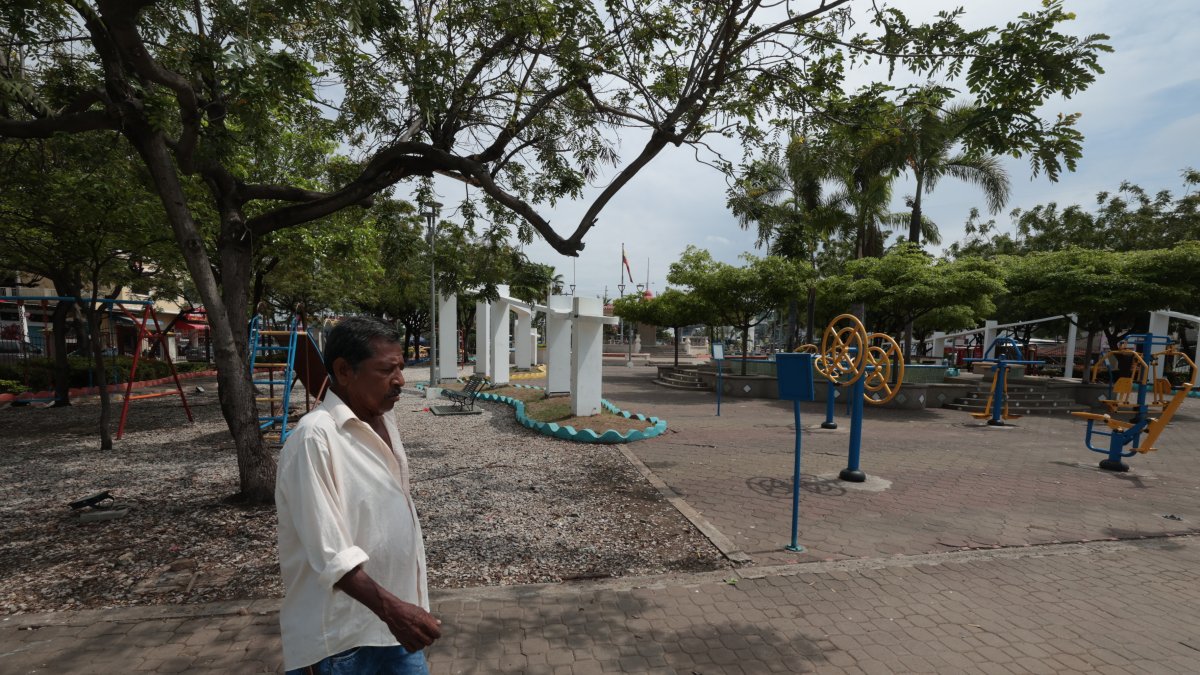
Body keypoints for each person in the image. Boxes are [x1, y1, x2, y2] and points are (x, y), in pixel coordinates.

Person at [276, 316, 442, 674]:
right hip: (342, 643)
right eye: (387, 370)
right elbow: (329, 553)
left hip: (393, 633)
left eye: (400, 367)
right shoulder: (314, 439)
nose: (400, 380)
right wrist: (393, 610)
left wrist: (404, 609)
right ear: (344, 371)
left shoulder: (384, 421)